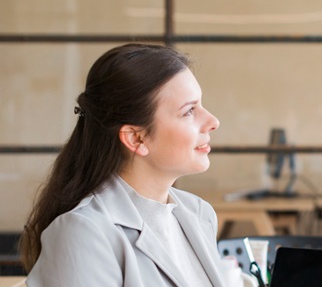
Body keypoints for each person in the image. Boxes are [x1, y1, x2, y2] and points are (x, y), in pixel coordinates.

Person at [20, 43, 224, 286]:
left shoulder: (199, 214)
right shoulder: (83, 232)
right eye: (189, 111)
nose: (213, 121)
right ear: (136, 138)